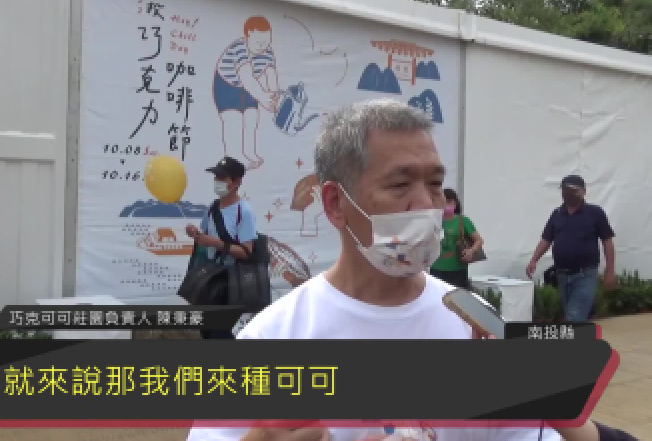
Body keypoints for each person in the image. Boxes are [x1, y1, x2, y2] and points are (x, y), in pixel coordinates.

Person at [186, 100, 559, 441]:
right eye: (400, 185)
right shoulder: (275, 339)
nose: (426, 204)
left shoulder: (476, 324)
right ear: (335, 204)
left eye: (435, 185)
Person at [185, 156, 258, 340]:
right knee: (207, 333)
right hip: (209, 281)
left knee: (221, 334)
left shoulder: (244, 211)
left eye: (222, 177)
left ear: (236, 182)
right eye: (216, 177)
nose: (217, 181)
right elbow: (205, 234)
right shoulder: (212, 208)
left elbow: (246, 252)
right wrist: (194, 233)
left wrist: (215, 243)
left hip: (229, 284)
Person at [525, 175, 615, 322]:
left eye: (573, 190)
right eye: (565, 190)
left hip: (585, 274)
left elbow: (607, 241)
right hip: (562, 275)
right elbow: (546, 239)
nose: (568, 194)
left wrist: (610, 270)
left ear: (583, 192)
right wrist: (534, 260)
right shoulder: (557, 214)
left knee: (574, 317)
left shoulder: (595, 213)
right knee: (572, 315)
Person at [213, 16, 281, 170]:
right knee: (233, 119)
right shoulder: (240, 48)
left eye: (266, 41)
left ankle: (249, 152)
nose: (262, 46)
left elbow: (271, 74)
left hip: (248, 87)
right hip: (227, 84)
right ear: (247, 36)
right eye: (259, 43)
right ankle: (233, 157)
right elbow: (247, 78)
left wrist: (274, 96)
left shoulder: (267, 51)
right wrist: (264, 99)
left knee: (252, 117)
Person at [430, 187, 484, 290]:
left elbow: (479, 240)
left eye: (449, 202)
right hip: (436, 268)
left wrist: (471, 250)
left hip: (457, 269)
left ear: (455, 204)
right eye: (444, 202)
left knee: (456, 296)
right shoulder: (434, 220)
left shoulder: (463, 221)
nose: (446, 205)